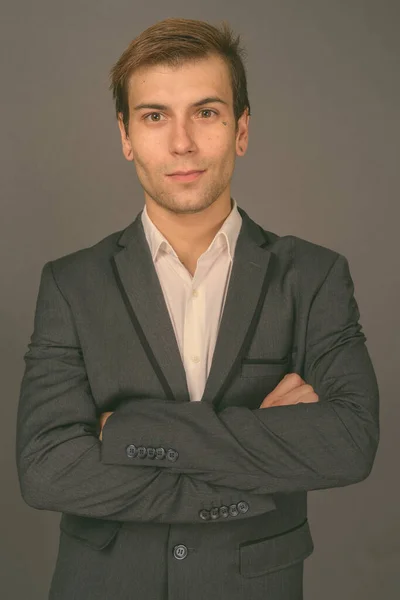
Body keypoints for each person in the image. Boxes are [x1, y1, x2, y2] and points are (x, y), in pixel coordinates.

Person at [16, 17, 380, 600]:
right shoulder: (70, 285)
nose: (181, 142)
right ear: (125, 135)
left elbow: (348, 442)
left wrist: (127, 433)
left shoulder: (314, 277)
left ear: (241, 129)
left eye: (206, 112)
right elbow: (47, 469)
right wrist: (260, 450)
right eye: (155, 115)